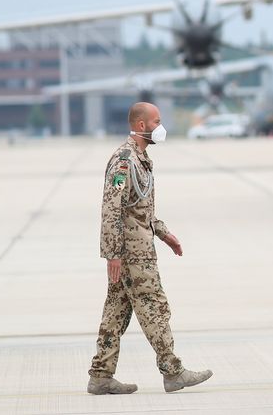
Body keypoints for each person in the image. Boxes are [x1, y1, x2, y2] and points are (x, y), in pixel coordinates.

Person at [88, 102, 212, 395]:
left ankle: (101, 375)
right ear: (141, 126)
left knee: (116, 312)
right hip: (132, 255)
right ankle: (173, 371)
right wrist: (113, 254)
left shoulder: (141, 159)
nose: (161, 127)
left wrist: (165, 234)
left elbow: (140, 209)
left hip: (139, 248)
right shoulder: (123, 161)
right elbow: (112, 209)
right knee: (154, 307)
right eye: (157, 122)